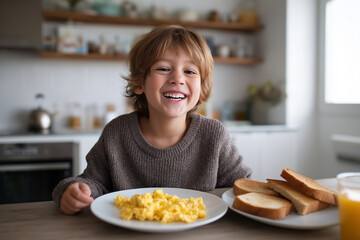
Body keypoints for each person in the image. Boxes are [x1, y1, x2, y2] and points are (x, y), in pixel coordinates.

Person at [52, 25, 252, 215]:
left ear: (202, 89)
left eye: (190, 71)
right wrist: (72, 191)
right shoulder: (116, 132)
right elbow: (92, 183)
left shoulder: (214, 135)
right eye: (163, 69)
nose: (178, 79)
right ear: (140, 82)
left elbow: (243, 186)